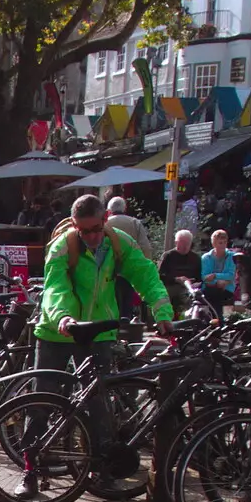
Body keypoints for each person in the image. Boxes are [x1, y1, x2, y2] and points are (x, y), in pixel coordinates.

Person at [34, 193, 173, 471]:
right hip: (57, 331)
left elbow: (145, 274)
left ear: (105, 219)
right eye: (84, 231)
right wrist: (63, 316)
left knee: (98, 404)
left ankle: (102, 468)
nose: (92, 237)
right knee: (42, 401)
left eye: (96, 229)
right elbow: (55, 287)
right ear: (74, 224)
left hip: (98, 333)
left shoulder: (119, 242)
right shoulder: (63, 245)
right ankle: (31, 468)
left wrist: (163, 313)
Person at [157, 228, 203, 314]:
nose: (185, 246)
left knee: (194, 298)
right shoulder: (168, 256)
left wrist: (195, 283)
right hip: (171, 286)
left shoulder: (195, 258)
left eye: (187, 244)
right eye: (182, 243)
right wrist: (176, 279)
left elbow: (199, 277)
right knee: (162, 297)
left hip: (188, 287)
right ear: (176, 243)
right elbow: (160, 275)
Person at [200, 228, 238, 315]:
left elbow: (231, 275)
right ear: (214, 243)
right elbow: (204, 277)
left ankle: (223, 322)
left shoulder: (232, 256)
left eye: (225, 243)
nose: (223, 245)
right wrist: (218, 282)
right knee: (211, 294)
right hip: (210, 288)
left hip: (227, 288)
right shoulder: (206, 258)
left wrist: (214, 275)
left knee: (223, 299)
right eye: (220, 243)